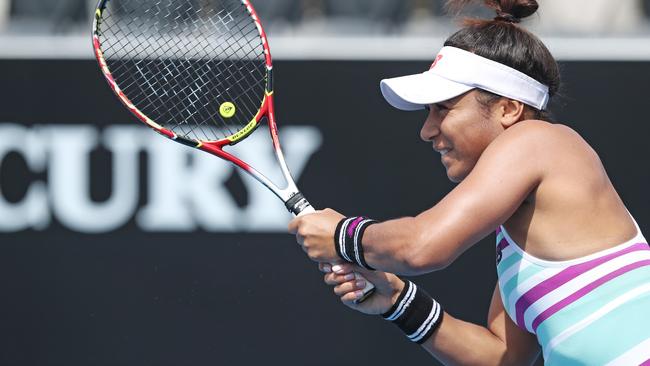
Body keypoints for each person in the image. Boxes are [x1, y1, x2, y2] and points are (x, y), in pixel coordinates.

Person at [288, 0, 650, 364]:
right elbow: (503, 358)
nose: (427, 131)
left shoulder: (539, 140)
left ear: (508, 109)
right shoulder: (520, 242)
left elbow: (421, 246)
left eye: (443, 109)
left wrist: (342, 235)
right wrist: (399, 302)